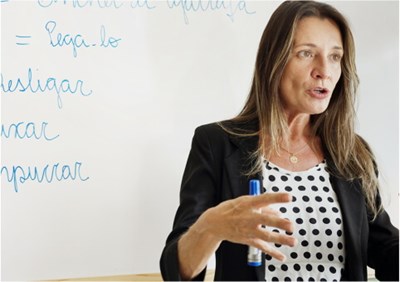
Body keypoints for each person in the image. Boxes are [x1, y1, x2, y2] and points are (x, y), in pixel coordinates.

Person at [160, 1, 399, 281]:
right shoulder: (216, 143)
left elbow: (386, 252)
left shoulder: (352, 152)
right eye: (306, 53)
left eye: (335, 56)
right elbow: (177, 271)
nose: (324, 69)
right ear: (274, 60)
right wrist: (210, 228)